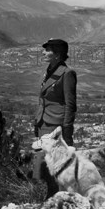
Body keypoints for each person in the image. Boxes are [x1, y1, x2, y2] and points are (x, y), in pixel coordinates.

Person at [33, 38, 77, 199]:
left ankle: (57, 199)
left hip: (56, 127)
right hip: (44, 123)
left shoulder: (67, 74)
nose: (43, 52)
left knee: (54, 166)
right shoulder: (49, 71)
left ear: (58, 54)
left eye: (48, 50)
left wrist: (67, 131)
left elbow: (70, 104)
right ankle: (52, 197)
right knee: (43, 167)